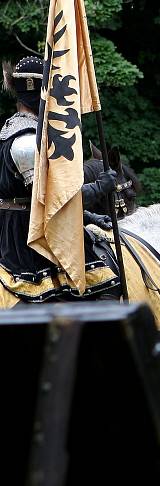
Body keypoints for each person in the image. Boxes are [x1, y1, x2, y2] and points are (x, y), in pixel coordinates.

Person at [1, 56, 119, 302]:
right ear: (38, 93)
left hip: (28, 219)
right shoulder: (25, 142)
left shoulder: (16, 131)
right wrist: (99, 187)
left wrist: (88, 216)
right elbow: (53, 200)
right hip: (24, 233)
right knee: (101, 280)